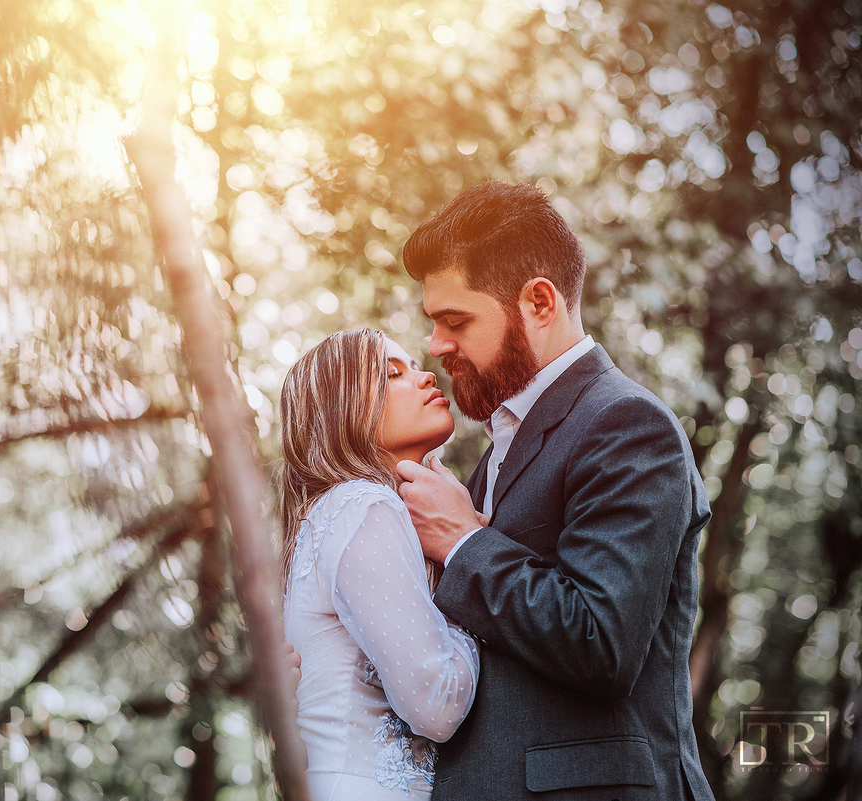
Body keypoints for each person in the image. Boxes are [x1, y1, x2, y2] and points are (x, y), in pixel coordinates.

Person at [395, 181, 714, 800]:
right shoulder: (502, 447)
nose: (436, 346)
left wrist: (462, 542)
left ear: (540, 302)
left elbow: (601, 642)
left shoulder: (627, 425)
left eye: (455, 321)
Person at [279, 328, 481, 801]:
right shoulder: (366, 506)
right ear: (344, 409)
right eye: (394, 373)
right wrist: (469, 550)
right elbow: (437, 704)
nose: (426, 375)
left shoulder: (334, 512)